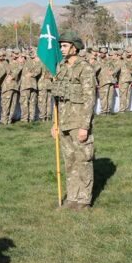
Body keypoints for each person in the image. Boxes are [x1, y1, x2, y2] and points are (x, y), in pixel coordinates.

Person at [50, 32, 96, 209]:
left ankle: (84, 199)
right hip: (64, 121)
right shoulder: (61, 67)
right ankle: (73, 196)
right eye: (60, 45)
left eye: (64, 45)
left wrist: (85, 126)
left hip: (78, 121)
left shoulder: (84, 68)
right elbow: (58, 98)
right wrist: (55, 123)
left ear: (74, 48)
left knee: (83, 159)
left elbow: (89, 99)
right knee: (69, 161)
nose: (61, 48)